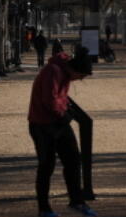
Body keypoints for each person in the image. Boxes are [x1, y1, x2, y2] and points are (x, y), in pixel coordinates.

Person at [28, 46, 97, 217]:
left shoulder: (64, 72)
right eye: (81, 76)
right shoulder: (53, 71)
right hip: (42, 124)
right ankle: (44, 208)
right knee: (46, 166)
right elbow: (49, 100)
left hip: (57, 122)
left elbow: (60, 98)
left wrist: (65, 111)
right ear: (74, 69)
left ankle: (77, 200)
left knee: (73, 160)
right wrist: (63, 113)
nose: (79, 80)